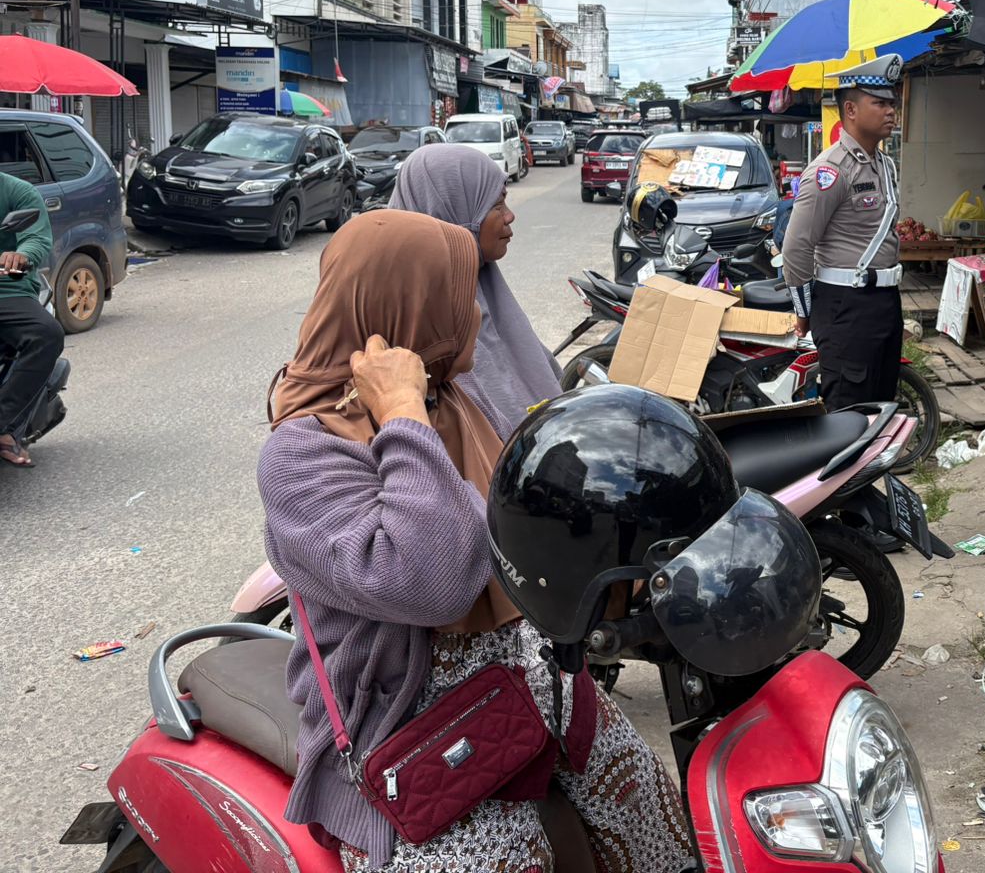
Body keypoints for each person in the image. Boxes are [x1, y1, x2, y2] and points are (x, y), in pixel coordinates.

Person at [257, 210, 695, 872]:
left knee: (656, 827)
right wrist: (401, 414)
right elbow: (434, 580)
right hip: (413, 727)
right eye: (461, 296)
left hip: (528, 672)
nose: (478, 315)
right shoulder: (303, 454)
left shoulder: (452, 398)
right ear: (408, 308)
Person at [389, 143, 562, 438]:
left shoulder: (483, 284)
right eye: (496, 205)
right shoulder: (416, 322)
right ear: (454, 212)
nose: (509, 216)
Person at [783, 53, 904, 410]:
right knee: (848, 411)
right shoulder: (830, 171)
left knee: (880, 407)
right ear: (850, 110)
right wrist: (804, 311)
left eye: (892, 104)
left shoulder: (885, 166)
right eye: (879, 103)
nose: (891, 111)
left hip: (885, 302)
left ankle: (872, 468)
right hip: (844, 306)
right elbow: (796, 247)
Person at [0, 170, 62, 467]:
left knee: (46, 333)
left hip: (6, 289)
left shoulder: (17, 191)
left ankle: (4, 425)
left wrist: (20, 255)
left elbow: (36, 237)